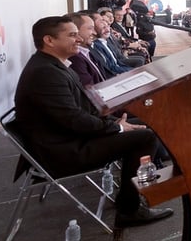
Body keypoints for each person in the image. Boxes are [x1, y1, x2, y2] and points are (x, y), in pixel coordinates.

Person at [13, 16, 172, 227]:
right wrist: (116, 127)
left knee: (144, 122)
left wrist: (116, 122)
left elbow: (82, 109)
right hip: (63, 150)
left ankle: (136, 193)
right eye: (71, 35)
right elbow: (74, 120)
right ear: (49, 40)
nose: (78, 39)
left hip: (68, 137)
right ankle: (130, 209)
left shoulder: (54, 66)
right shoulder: (45, 73)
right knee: (144, 138)